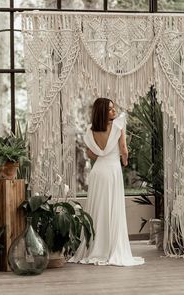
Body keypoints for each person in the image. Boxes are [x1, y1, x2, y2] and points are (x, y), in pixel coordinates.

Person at [68, 98, 144, 266]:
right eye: (110, 109)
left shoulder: (90, 130)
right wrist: (124, 160)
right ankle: (110, 249)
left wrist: (103, 154)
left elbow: (90, 154)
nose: (114, 111)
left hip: (97, 172)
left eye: (113, 108)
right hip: (112, 171)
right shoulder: (118, 126)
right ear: (102, 111)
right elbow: (124, 149)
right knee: (113, 209)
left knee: (97, 210)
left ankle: (94, 247)